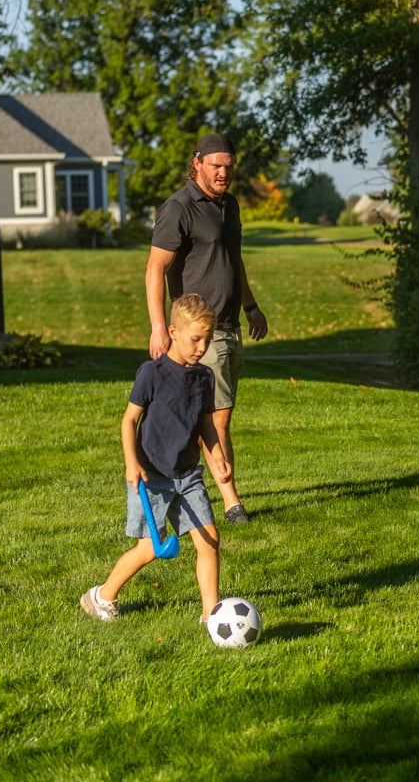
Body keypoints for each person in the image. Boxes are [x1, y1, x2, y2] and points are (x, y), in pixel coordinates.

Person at [80, 294, 232, 623]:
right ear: (174, 331)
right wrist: (131, 463)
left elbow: (206, 422)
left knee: (209, 541)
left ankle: (211, 615)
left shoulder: (204, 377)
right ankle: (102, 596)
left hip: (188, 474)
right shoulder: (152, 373)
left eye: (207, 339)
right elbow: (129, 420)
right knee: (150, 548)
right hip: (152, 477)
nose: (201, 347)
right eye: (196, 338)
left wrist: (217, 455)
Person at [145, 131, 268, 525]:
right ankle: (232, 502)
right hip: (199, 330)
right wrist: (159, 327)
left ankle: (188, 484)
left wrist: (251, 306)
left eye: (229, 166)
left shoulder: (229, 205)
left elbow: (235, 260)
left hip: (230, 325)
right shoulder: (180, 207)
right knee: (217, 417)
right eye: (216, 166)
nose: (223, 173)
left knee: (217, 414)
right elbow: (155, 268)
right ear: (197, 163)